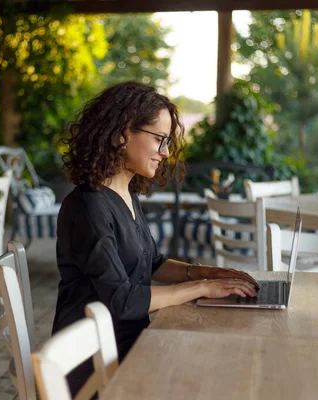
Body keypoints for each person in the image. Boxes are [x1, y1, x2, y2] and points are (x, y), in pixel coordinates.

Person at [52, 81, 259, 395]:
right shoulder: (87, 207)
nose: (165, 153)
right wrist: (201, 288)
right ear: (122, 133)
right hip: (94, 362)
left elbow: (152, 263)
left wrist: (209, 273)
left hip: (127, 342)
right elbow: (123, 301)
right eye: (159, 139)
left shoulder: (126, 195)